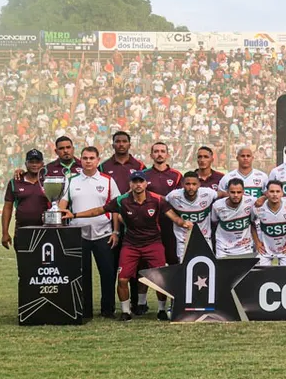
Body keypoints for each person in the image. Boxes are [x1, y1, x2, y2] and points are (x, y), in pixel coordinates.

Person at [67, 170, 192, 321]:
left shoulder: (157, 200)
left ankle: (161, 310)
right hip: (131, 244)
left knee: (161, 279)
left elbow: (173, 216)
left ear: (146, 184)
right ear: (130, 184)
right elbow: (99, 210)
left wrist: (183, 223)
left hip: (153, 244)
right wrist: (74, 215)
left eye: (141, 182)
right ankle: (126, 312)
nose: (138, 185)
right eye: (134, 182)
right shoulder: (122, 200)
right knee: (122, 279)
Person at [58, 146, 120, 319]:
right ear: (81, 160)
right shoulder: (72, 180)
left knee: (108, 273)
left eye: (92, 158)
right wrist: (58, 214)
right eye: (85, 158)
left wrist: (115, 231)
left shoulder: (107, 181)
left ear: (98, 160)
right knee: (82, 274)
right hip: (79, 235)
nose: (88, 161)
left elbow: (115, 208)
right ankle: (84, 310)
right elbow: (63, 203)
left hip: (104, 233)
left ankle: (108, 310)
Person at [99, 131, 146, 314]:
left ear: (129, 144)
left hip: (134, 224)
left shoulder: (139, 165)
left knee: (135, 268)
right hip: (109, 225)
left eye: (124, 141)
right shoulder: (104, 166)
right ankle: (108, 306)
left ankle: (136, 305)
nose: (121, 144)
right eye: (117, 141)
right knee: (111, 269)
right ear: (113, 145)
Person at [143, 142, 184, 264]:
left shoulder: (176, 175)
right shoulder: (144, 175)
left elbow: (181, 199)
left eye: (162, 151)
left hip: (171, 224)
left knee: (172, 259)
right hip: (150, 224)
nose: (159, 154)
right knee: (150, 261)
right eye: (156, 151)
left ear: (167, 155)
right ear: (151, 155)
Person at [1, 149, 49, 250]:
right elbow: (7, 208)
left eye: (37, 162)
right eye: (31, 162)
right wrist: (5, 232)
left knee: (45, 265)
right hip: (22, 232)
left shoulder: (49, 181)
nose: (34, 165)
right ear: (26, 163)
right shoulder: (15, 182)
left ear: (43, 164)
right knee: (24, 265)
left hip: (46, 232)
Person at [164, 171, 218, 259]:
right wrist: (176, 219)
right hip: (183, 241)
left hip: (205, 239)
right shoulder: (174, 196)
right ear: (182, 184)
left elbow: (222, 195)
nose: (191, 187)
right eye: (187, 184)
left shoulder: (208, 193)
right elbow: (162, 204)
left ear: (199, 184)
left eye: (194, 184)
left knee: (207, 267)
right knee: (185, 269)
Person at [251, 180, 286, 267]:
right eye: (271, 191)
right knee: (261, 275)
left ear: (282, 193)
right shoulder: (258, 208)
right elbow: (251, 223)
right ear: (266, 193)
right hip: (265, 249)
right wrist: (257, 242)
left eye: (278, 191)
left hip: (285, 249)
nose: (275, 194)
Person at [210, 178, 257, 258]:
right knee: (223, 270)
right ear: (227, 192)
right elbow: (214, 220)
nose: (236, 195)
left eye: (239, 192)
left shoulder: (251, 202)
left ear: (243, 192)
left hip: (245, 247)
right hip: (223, 247)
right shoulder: (217, 206)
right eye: (232, 192)